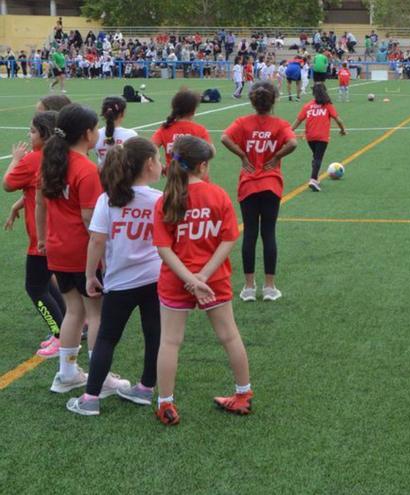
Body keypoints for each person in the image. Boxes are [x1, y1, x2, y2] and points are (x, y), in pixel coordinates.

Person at [152, 135, 253, 425]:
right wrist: (203, 276)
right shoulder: (217, 195)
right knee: (230, 336)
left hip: (176, 280)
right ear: (203, 165)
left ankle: (165, 404)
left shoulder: (166, 199)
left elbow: (163, 248)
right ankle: (243, 395)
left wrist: (191, 279)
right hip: (214, 279)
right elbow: (229, 237)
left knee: (170, 342)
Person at [65, 137, 164, 416]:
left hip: (119, 281)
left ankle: (91, 398)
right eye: (158, 159)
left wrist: (89, 276)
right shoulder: (158, 199)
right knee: (153, 335)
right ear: (148, 164)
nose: (160, 164)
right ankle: (145, 389)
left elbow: (96, 241)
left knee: (107, 338)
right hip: (155, 278)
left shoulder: (107, 199)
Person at [36, 105, 117, 395]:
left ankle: (67, 373)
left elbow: (41, 204)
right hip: (82, 253)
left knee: (74, 312)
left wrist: (43, 240)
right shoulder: (85, 169)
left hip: (58, 250)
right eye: (95, 129)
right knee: (95, 315)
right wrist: (104, 255)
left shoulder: (50, 162)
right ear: (87, 133)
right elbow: (89, 219)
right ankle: (100, 376)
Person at [221, 82, 298, 302]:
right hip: (271, 184)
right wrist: (276, 158)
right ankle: (269, 287)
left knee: (250, 234)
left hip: (248, 184)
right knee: (269, 234)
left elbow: (225, 138)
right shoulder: (280, 124)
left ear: (252, 102)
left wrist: (243, 156)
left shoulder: (243, 122)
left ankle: (248, 288)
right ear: (274, 100)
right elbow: (293, 143)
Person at [3, 112, 66, 357]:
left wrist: (16, 159)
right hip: (60, 233)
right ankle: (66, 331)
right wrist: (17, 207)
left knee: (35, 288)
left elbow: (7, 184)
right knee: (47, 286)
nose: (29, 136)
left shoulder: (33, 161)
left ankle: (61, 334)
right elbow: (32, 192)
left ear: (45, 134)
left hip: (41, 238)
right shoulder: (61, 158)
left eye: (32, 132)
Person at [292, 85, 347, 192]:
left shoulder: (307, 106)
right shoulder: (327, 105)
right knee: (318, 158)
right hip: (322, 137)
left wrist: (289, 131)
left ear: (314, 94)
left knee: (315, 156)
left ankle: (315, 177)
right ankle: (313, 180)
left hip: (310, 137)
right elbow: (338, 120)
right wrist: (342, 130)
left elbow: (298, 120)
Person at [151, 89, 212, 172]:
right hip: (198, 179)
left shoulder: (165, 129)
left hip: (174, 180)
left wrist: (161, 167)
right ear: (193, 110)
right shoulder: (200, 130)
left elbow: (149, 149)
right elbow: (211, 152)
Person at [94, 96, 137, 168]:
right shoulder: (131, 135)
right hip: (124, 177)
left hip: (103, 176)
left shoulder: (96, 134)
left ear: (104, 114)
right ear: (122, 114)